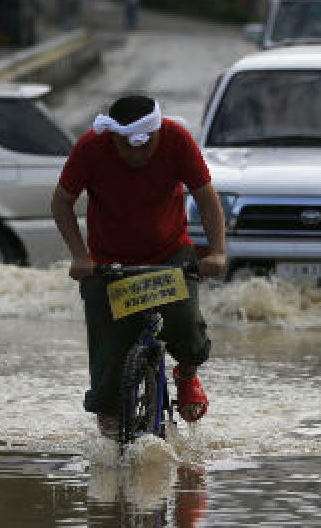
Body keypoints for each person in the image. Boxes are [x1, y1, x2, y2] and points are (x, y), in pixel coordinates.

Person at [51, 95, 227, 438]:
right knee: (108, 352)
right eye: (126, 147)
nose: (135, 155)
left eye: (144, 148)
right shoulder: (91, 147)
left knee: (186, 321)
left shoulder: (177, 139)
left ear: (158, 133)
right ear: (113, 137)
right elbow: (61, 203)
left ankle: (187, 375)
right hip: (108, 262)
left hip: (169, 252)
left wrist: (217, 252)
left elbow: (206, 197)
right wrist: (80, 256)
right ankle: (109, 425)